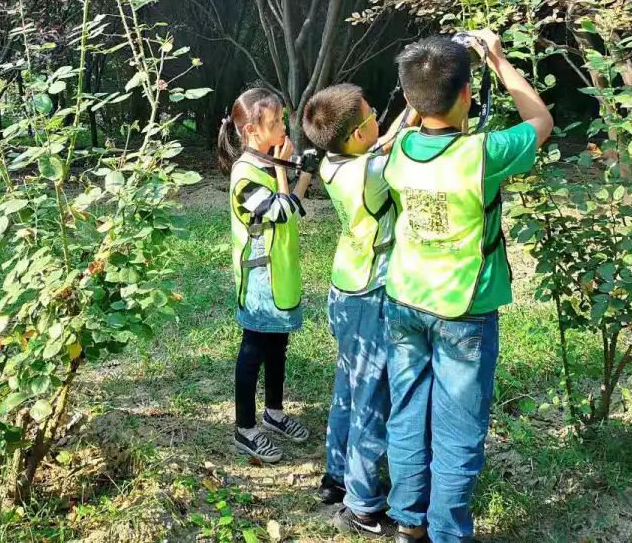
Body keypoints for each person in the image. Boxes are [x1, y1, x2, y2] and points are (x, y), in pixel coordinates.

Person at [383, 31, 552, 543]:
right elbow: (540, 122)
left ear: (409, 99)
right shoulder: (484, 153)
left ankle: (407, 521)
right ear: (466, 94)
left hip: (404, 298)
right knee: (458, 429)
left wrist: (420, 95)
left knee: (407, 413)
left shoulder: (397, 148)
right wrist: (497, 59)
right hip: (464, 307)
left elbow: (411, 117)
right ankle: (447, 533)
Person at [302, 83, 413, 538]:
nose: (379, 121)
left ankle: (336, 476)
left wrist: (408, 107)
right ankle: (363, 503)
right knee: (371, 398)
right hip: (370, 293)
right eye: (372, 116)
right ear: (356, 135)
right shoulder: (372, 173)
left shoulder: (333, 162)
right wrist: (421, 103)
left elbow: (385, 141)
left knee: (348, 386)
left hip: (344, 287)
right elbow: (400, 142)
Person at [217, 87, 314, 464]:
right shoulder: (245, 174)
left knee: (277, 347)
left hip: (280, 274)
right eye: (275, 122)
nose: (283, 128)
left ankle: (273, 413)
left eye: (282, 120)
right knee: (253, 351)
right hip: (260, 281)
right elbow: (281, 211)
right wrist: (282, 170)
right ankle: (245, 428)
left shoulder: (267, 162)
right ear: (251, 131)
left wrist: (303, 173)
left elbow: (293, 206)